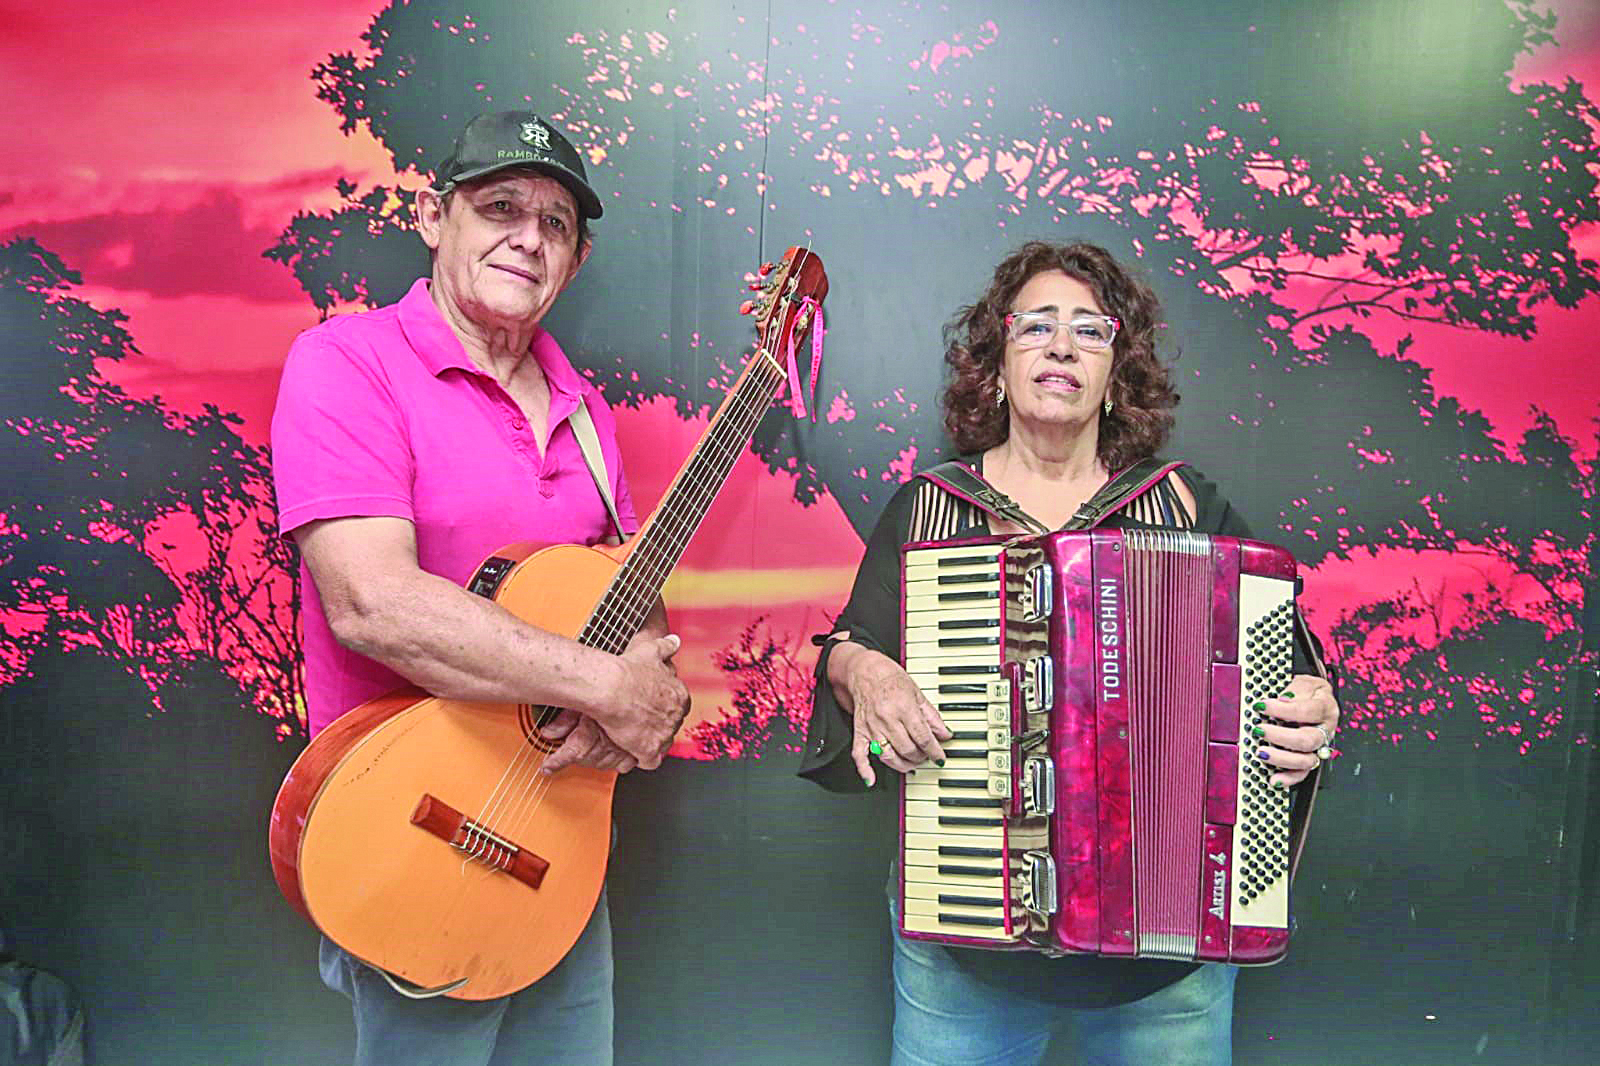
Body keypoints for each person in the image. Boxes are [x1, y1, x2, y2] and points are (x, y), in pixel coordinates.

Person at [800, 240, 1339, 1066]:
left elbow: (1293, 666)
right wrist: (860, 669)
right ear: (997, 359)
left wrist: (1313, 709)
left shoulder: (1187, 506)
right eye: (1036, 327)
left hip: (1165, 968)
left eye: (1090, 331)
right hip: (966, 951)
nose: (1060, 346)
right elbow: (851, 645)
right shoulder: (929, 509)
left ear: (1116, 369)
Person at [270, 109, 690, 1066]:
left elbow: (629, 611)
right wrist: (603, 687)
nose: (527, 238)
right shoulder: (348, 363)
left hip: (561, 843)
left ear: (574, 262)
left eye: (556, 225)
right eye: (499, 206)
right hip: (417, 827)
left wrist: (638, 685)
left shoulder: (588, 416)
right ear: (433, 216)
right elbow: (372, 602)